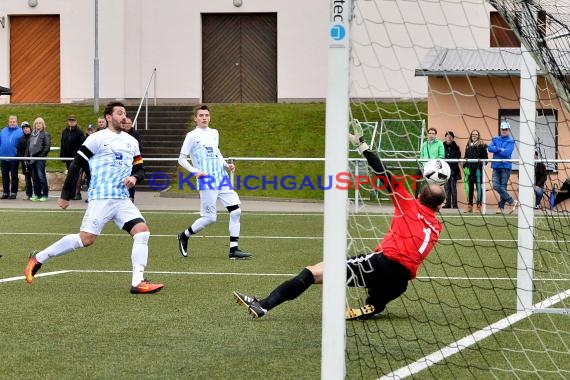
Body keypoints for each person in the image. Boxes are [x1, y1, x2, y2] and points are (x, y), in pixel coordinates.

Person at [233, 126, 446, 319]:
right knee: (378, 292)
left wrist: (362, 146)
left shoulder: (407, 201)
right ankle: (373, 306)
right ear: (441, 206)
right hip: (400, 282)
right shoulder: (436, 227)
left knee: (314, 272)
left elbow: (381, 171)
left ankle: (263, 305)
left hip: (382, 264)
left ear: (420, 196)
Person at [24, 102, 164, 294]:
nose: (124, 117)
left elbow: (140, 169)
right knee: (86, 239)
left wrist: (134, 177)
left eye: (125, 113)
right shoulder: (97, 138)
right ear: (108, 117)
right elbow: (76, 165)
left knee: (142, 232)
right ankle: (38, 258)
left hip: (122, 199)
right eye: (120, 113)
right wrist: (65, 195)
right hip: (101, 197)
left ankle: (138, 282)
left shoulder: (132, 141)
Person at [176, 104, 253, 260]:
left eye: (206, 115)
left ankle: (234, 250)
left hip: (221, 178)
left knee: (236, 211)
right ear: (195, 118)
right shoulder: (192, 135)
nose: (204, 118)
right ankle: (184, 235)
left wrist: (226, 164)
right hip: (207, 180)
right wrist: (194, 171)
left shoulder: (214, 132)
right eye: (201, 115)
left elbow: (216, 152)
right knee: (210, 218)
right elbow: (181, 159)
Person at [488, 120, 517, 214]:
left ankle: (501, 207)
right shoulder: (495, 139)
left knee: (503, 187)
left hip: (506, 166)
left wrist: (496, 149)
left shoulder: (511, 141)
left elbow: (506, 153)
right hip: (496, 166)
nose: (504, 130)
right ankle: (512, 201)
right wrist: (500, 149)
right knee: (496, 186)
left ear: (508, 130)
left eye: (506, 129)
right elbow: (489, 148)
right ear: (500, 129)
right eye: (502, 129)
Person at [60, 115, 85, 200]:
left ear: (76, 121)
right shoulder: (65, 131)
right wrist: (62, 156)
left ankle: (74, 193)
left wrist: (77, 154)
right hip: (67, 157)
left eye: (73, 121)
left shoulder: (79, 132)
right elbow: (63, 143)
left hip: (76, 158)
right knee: (70, 175)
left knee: (75, 176)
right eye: (70, 120)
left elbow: (81, 145)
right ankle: (70, 193)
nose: (71, 122)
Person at [463, 130, 488, 213]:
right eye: (473, 134)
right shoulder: (468, 145)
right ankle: (469, 206)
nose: (474, 136)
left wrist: (480, 163)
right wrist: (465, 166)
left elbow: (486, 159)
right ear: (471, 135)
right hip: (469, 170)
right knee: (469, 189)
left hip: (478, 170)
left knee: (479, 188)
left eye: (476, 134)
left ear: (478, 136)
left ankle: (479, 206)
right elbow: (465, 157)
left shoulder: (482, 146)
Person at [415, 127, 444, 197]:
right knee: (416, 179)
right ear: (428, 134)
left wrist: (433, 163)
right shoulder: (425, 144)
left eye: (433, 133)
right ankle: (417, 197)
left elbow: (441, 155)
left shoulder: (439, 143)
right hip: (424, 166)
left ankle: (431, 198)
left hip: (434, 167)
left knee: (431, 184)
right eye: (430, 133)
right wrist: (423, 164)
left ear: (435, 135)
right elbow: (422, 155)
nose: (431, 135)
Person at [0, 115, 24, 199]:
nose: (12, 123)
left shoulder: (20, 131)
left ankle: (13, 192)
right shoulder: (3, 130)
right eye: (11, 121)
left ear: (16, 122)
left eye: (14, 122)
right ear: (8, 122)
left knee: (14, 175)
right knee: (4, 176)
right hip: (3, 157)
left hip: (14, 157)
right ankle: (5, 192)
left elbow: (23, 143)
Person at [28, 117, 52, 202]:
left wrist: (40, 156)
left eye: (40, 123)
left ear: (43, 125)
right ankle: (37, 194)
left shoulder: (45, 134)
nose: (38, 124)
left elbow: (47, 147)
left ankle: (44, 195)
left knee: (41, 176)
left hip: (40, 159)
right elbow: (29, 146)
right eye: (37, 123)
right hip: (32, 158)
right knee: (34, 177)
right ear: (34, 124)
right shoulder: (32, 134)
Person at [122, 116, 141, 202]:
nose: (128, 125)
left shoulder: (135, 133)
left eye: (130, 123)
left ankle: (131, 196)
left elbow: (138, 147)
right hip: (121, 159)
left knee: (132, 177)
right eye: (126, 123)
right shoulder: (119, 133)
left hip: (132, 159)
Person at [442, 131, 461, 209]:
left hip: (453, 169)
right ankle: (448, 203)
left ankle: (455, 204)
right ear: (445, 137)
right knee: (446, 187)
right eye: (447, 136)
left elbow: (458, 156)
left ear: (453, 138)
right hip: (444, 169)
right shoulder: (442, 146)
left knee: (453, 187)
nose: (449, 138)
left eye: (450, 137)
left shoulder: (456, 147)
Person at [17, 121, 33, 200]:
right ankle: (28, 194)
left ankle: (37, 194)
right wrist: (22, 160)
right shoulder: (21, 139)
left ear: (30, 128)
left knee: (35, 179)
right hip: (25, 163)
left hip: (33, 162)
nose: (26, 129)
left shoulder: (34, 137)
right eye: (24, 128)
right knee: (27, 179)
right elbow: (18, 151)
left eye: (27, 128)